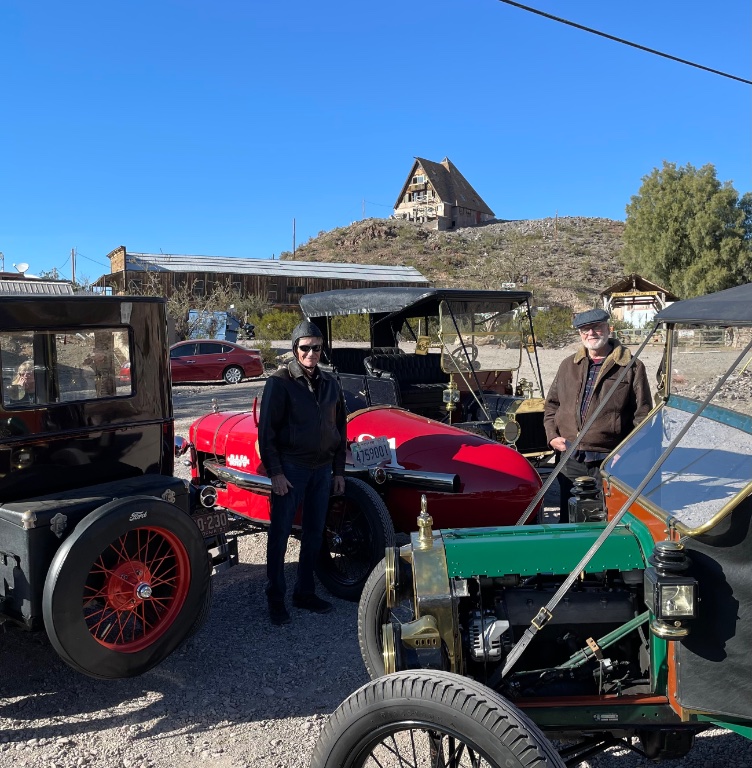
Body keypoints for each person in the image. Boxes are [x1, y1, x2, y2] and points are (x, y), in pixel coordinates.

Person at [258, 320, 347, 625]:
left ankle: (304, 593)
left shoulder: (331, 383)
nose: (311, 353)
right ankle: (275, 598)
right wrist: (276, 472)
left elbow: (340, 428)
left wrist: (338, 471)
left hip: (322, 470)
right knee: (280, 534)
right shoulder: (279, 383)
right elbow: (266, 433)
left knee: (314, 534)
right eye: (305, 347)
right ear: (295, 348)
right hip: (291, 469)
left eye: (316, 348)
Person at [544, 309, 652, 522]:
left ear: (608, 329)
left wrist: (626, 451)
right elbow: (552, 406)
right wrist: (552, 436)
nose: (591, 333)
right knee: (569, 517)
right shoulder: (568, 365)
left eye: (596, 327)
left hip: (609, 459)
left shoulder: (631, 367)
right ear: (580, 333)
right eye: (585, 329)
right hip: (570, 456)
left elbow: (643, 417)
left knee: (607, 518)